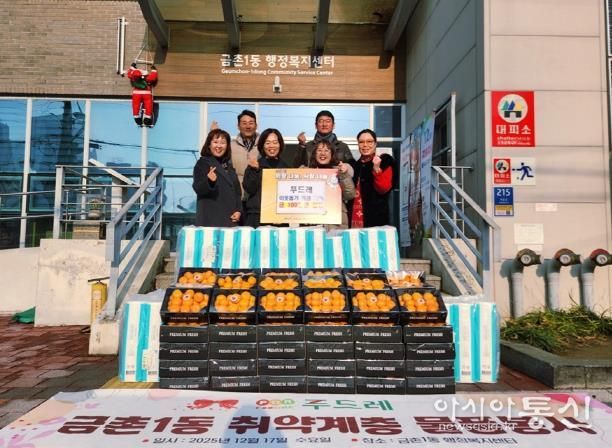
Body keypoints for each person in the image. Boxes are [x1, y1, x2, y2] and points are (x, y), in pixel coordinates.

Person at [192, 129, 242, 227]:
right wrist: (209, 181)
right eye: (215, 142)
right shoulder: (203, 163)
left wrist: (238, 210)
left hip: (229, 219)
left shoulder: (229, 166)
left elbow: (237, 192)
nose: (219, 146)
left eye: (223, 143)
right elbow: (198, 188)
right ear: (209, 145)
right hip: (211, 220)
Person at [242, 128, 288, 227]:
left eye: (275, 142)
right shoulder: (254, 164)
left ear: (280, 144)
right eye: (267, 143)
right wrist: (255, 170)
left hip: (279, 218)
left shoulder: (286, 167)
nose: (271, 146)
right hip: (257, 216)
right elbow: (249, 189)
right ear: (262, 145)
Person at [350, 129, 394, 228]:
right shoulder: (354, 166)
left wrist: (377, 170)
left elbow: (384, 188)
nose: (365, 145)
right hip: (353, 220)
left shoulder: (385, 161)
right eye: (361, 142)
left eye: (369, 141)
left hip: (376, 220)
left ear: (375, 144)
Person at [308, 140, 355, 229]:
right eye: (319, 150)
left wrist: (344, 175)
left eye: (326, 150)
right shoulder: (307, 172)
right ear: (314, 154)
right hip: (313, 221)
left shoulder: (339, 172)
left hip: (336, 222)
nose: (323, 153)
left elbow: (350, 195)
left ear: (332, 154)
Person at [126, 62, 158, 127]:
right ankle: (147, 118)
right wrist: (154, 70)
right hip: (146, 93)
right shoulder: (147, 78)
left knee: (135, 105)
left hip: (136, 93)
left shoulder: (133, 77)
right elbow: (153, 77)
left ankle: (137, 118)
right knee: (148, 105)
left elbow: (129, 73)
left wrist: (132, 67)